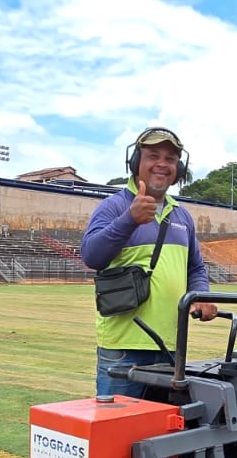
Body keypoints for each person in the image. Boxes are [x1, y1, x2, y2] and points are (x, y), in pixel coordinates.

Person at [80, 126, 216, 397]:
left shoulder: (182, 216)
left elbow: (195, 268)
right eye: (153, 156)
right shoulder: (114, 206)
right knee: (118, 423)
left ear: (178, 169)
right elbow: (91, 256)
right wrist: (129, 220)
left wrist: (201, 295)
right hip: (123, 347)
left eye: (170, 159)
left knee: (164, 424)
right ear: (136, 163)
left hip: (170, 346)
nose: (162, 164)